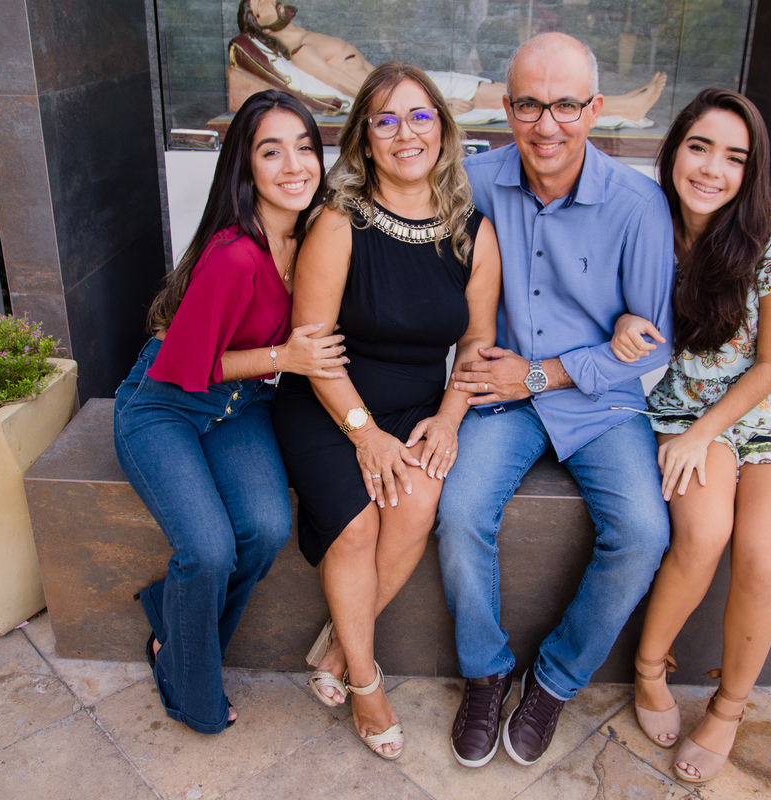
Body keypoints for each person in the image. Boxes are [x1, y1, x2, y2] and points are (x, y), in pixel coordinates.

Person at [435, 32, 676, 769]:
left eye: (566, 105)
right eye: (531, 105)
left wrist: (544, 375)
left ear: (596, 109)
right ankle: (485, 671)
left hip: (598, 399)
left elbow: (656, 344)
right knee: (458, 512)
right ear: (505, 110)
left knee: (642, 532)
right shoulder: (471, 182)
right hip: (497, 394)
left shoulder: (638, 203)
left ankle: (556, 678)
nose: (548, 125)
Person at [272, 62, 502, 760]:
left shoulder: (471, 233)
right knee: (356, 526)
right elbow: (311, 351)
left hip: (415, 405)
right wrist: (363, 433)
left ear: (443, 129)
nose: (407, 133)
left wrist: (451, 417)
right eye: (386, 120)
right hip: (327, 400)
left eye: (421, 116)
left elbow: (478, 345)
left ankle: (338, 648)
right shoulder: (340, 223)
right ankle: (366, 683)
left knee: (420, 499)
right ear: (366, 141)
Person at [113, 90, 347, 735]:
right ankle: (189, 681)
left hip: (243, 405)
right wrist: (287, 354)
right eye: (272, 151)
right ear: (245, 168)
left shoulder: (308, 238)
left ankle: (170, 612)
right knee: (209, 550)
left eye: (305, 147)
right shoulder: (234, 253)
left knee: (267, 530)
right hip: (165, 404)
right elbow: (187, 364)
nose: (294, 165)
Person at [613, 87, 771, 784]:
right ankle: (649, 668)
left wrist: (705, 434)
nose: (711, 169)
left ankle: (729, 707)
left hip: (767, 412)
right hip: (680, 407)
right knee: (701, 536)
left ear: (750, 171)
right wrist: (617, 327)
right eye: (699, 147)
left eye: (733, 158)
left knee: (764, 557)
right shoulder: (644, 224)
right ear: (674, 148)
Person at [236, 0, 667, 121]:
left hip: (407, 83)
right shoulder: (305, 51)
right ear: (257, 16)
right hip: (403, 91)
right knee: (498, 94)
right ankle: (626, 107)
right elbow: (358, 90)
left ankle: (620, 103)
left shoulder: (308, 37)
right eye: (262, 1)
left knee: (485, 87)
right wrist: (430, 108)